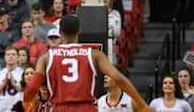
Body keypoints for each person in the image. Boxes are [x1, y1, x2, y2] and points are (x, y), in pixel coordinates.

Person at [24, 15, 153, 111]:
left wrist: (26, 101)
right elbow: (118, 78)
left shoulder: (46, 57)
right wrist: (143, 105)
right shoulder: (94, 54)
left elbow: (32, 87)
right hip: (85, 107)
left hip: (59, 107)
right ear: (79, 31)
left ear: (61, 32)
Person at [0, 46, 24, 111]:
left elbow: (29, 93)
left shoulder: (23, 73)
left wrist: (15, 85)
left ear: (18, 57)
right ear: (4, 57)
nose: (10, 56)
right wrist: (3, 84)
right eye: (8, 54)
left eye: (13, 54)